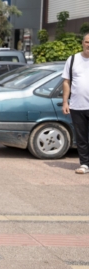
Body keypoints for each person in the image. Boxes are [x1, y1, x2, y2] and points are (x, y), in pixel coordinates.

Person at [62, 32, 89, 174]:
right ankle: (84, 164)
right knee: (81, 137)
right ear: (82, 43)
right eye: (87, 42)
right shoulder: (73, 59)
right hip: (77, 106)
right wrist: (65, 102)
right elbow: (66, 82)